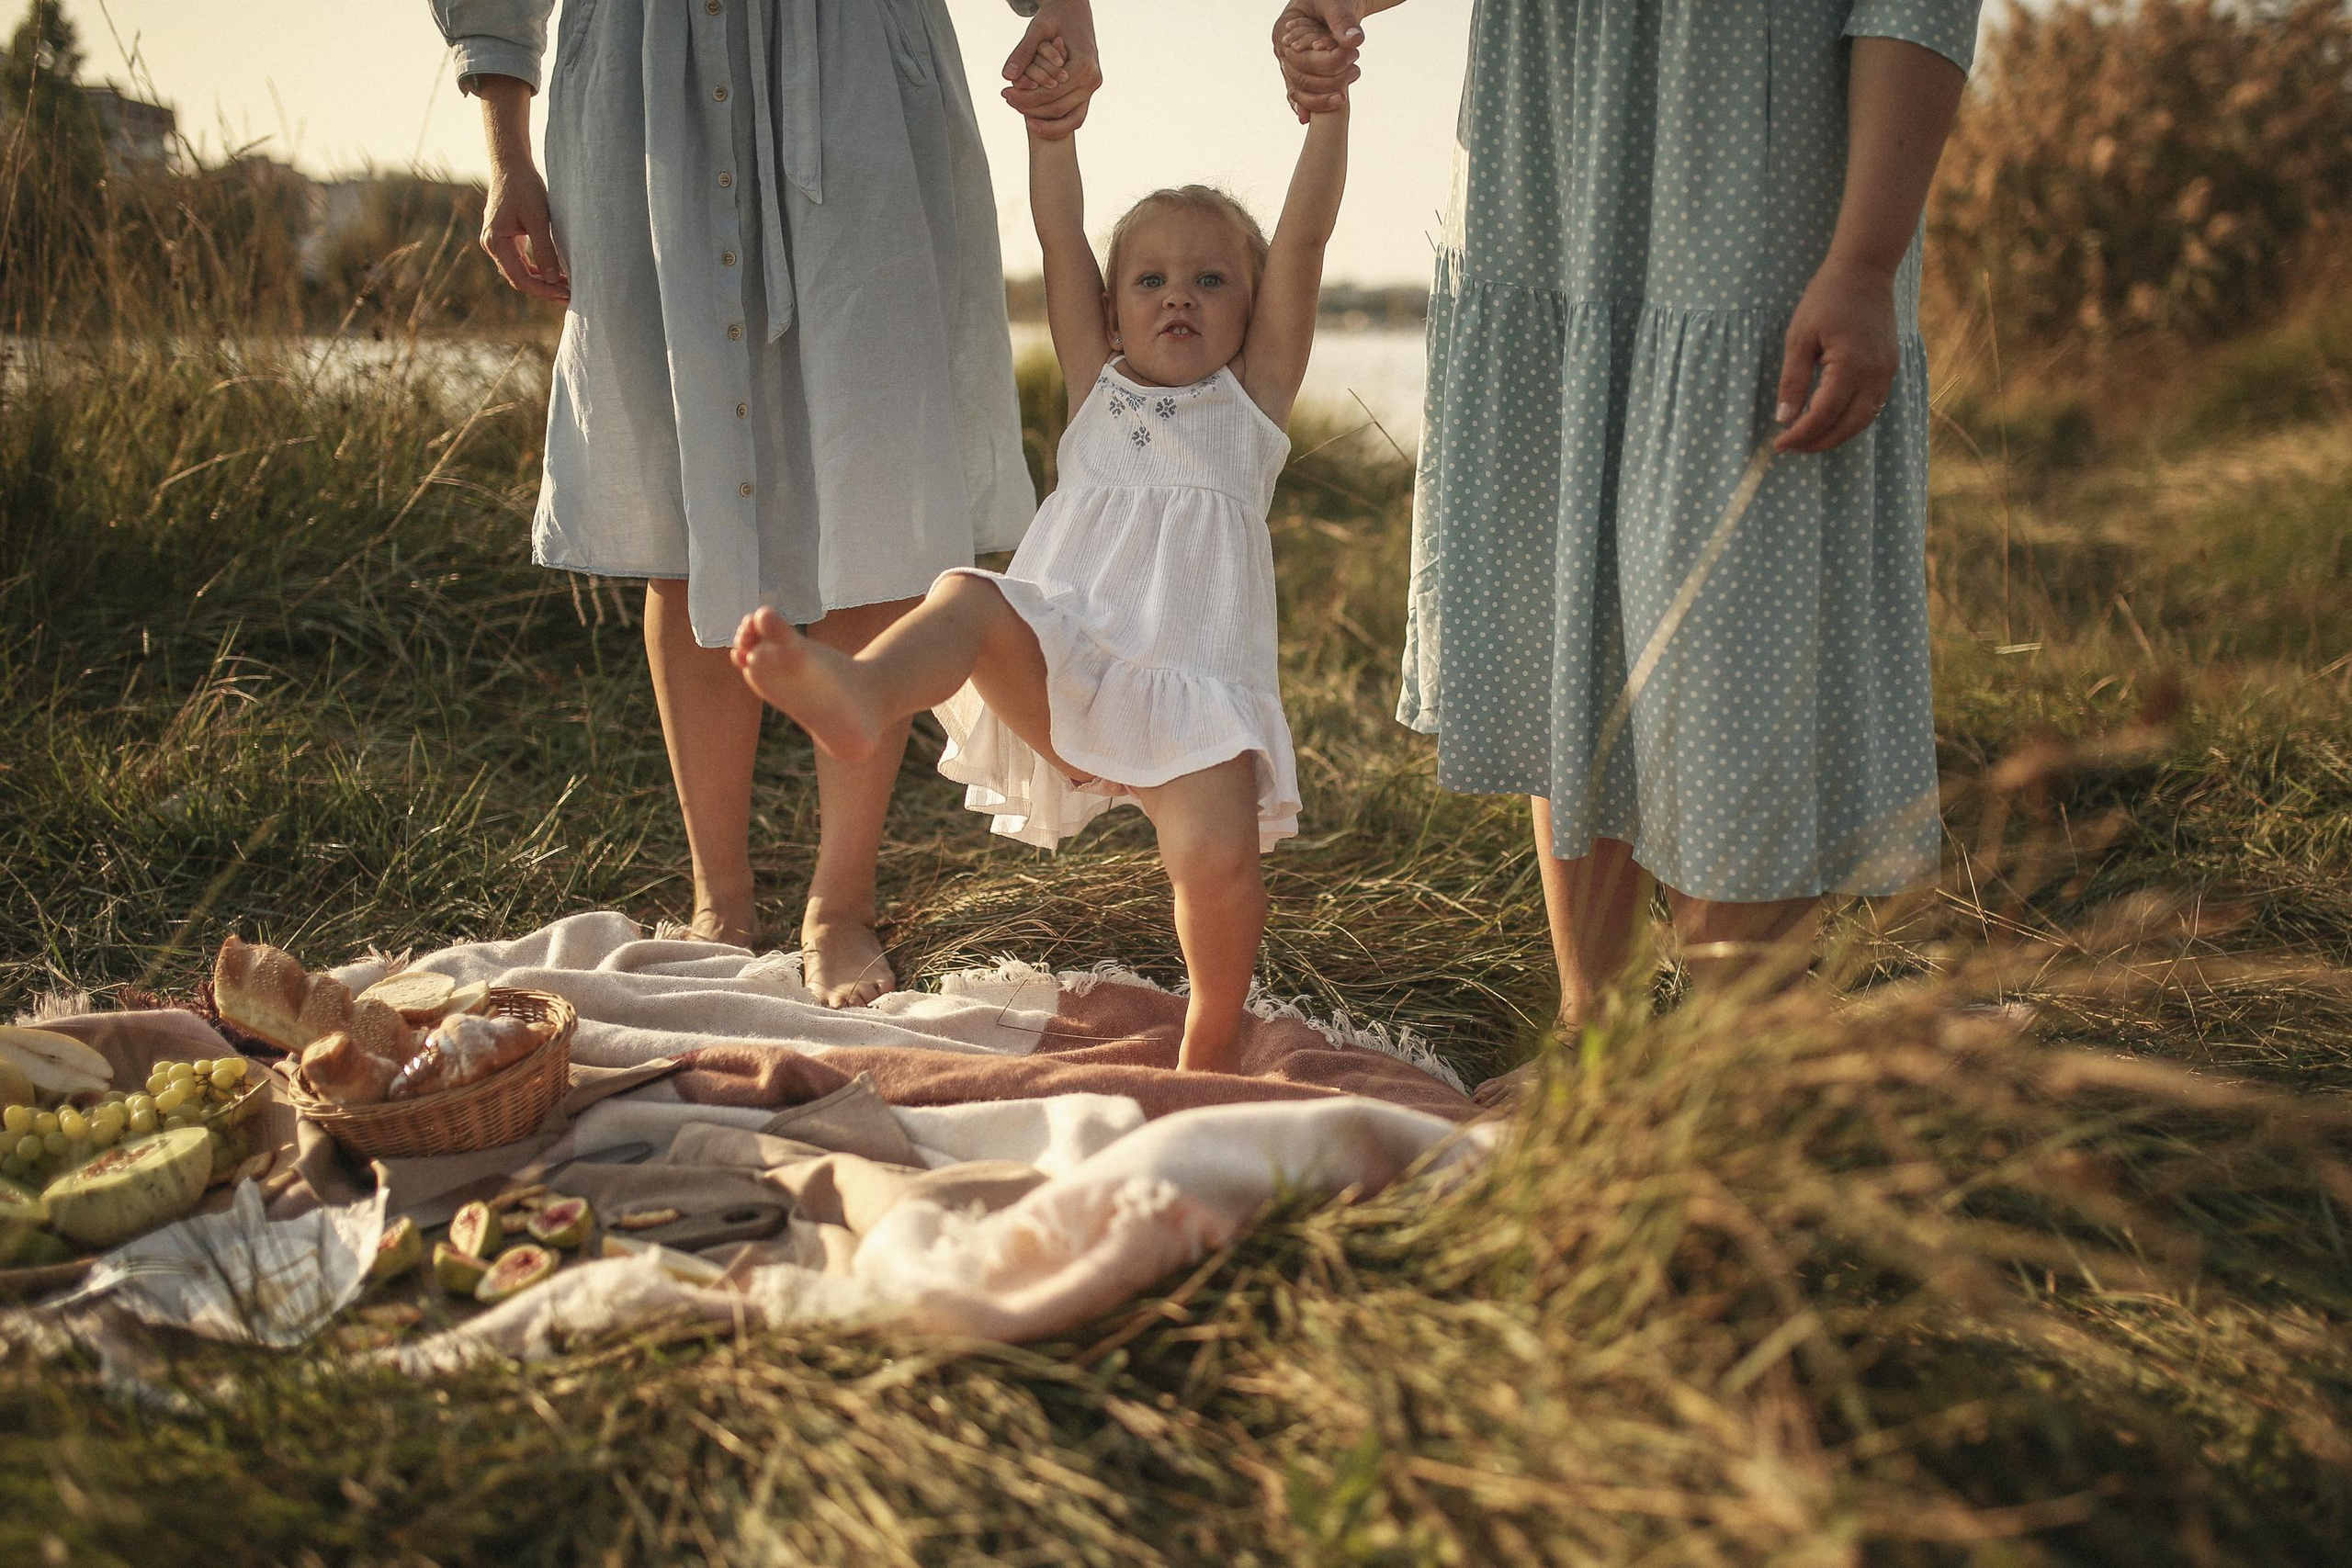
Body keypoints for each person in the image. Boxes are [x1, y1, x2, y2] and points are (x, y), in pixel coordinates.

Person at [1275, 1, 1979, 1101]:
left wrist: (1866, 257)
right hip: (1548, 155)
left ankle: (1738, 1060)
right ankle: (1590, 1040)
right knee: (1573, 582)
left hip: (1757, 172)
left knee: (1735, 613)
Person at [426, 0, 1101, 1005]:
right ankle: (721, 897)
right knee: (685, 503)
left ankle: (841, 900)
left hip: (858, 71)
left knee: (873, 493)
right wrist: (507, 149)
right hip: (649, 80)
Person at [732, 45, 1351, 1073]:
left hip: (1192, 695)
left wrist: (1325, 116)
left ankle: (1211, 1032)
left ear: (1250, 312)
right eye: (1148, 280)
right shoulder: (1092, 384)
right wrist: (1049, 134)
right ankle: (860, 690)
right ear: (1112, 312)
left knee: (1215, 864)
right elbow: (1059, 235)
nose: (1176, 297)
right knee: (967, 596)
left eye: (1210, 280)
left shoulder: (1252, 406)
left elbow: (1306, 238)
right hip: (1066, 663)